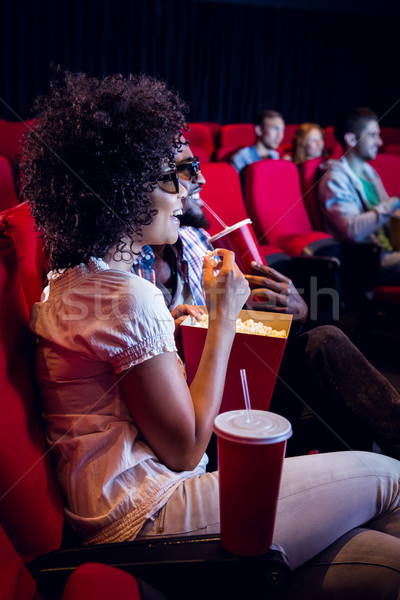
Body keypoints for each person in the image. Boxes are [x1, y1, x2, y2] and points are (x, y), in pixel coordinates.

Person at [24, 71, 400, 599]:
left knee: (387, 557)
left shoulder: (77, 280)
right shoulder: (126, 295)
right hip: (150, 517)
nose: (189, 189)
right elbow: (184, 451)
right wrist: (221, 318)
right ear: (124, 187)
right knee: (391, 477)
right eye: (174, 175)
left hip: (130, 506)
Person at [134, 140, 400, 461]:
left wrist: (291, 310)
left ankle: (364, 484)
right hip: (190, 415)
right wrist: (171, 335)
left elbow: (236, 318)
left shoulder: (194, 238)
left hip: (238, 382)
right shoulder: (120, 266)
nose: (200, 181)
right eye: (186, 170)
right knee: (333, 382)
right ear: (139, 183)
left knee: (327, 355)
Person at [318, 107, 400, 285]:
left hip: (390, 249)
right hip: (366, 261)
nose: (379, 142)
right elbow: (352, 230)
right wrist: (395, 202)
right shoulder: (335, 179)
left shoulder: (368, 171)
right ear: (351, 139)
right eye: (372, 135)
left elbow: (389, 214)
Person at [230, 109, 285, 177]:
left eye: (282, 130)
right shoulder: (240, 158)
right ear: (259, 130)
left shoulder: (275, 155)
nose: (280, 135)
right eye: (275, 129)